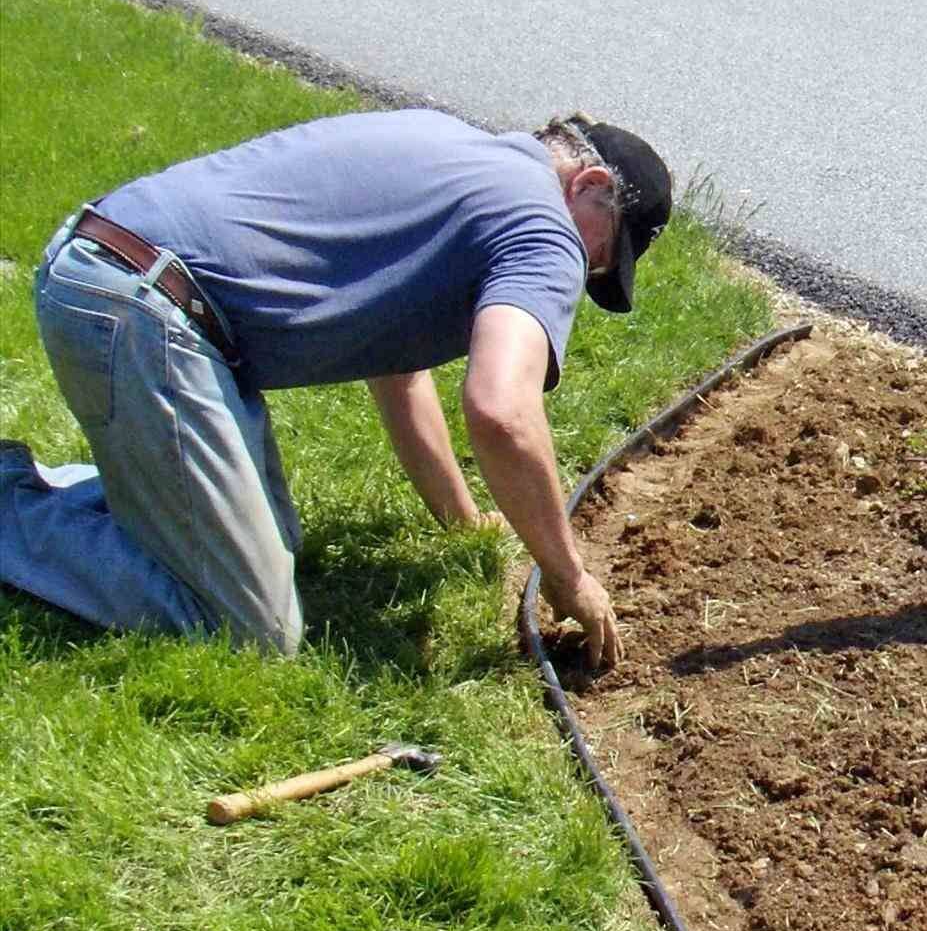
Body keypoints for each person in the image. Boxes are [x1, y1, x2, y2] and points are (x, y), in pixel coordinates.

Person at [0, 108, 671, 671]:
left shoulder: (456, 151)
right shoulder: (543, 224)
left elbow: (397, 369)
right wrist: (569, 573)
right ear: (587, 184)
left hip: (113, 271)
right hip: (144, 311)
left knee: (276, 548)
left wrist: (460, 517)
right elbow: (502, 411)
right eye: (603, 254)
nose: (584, 272)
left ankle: (61, 491)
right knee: (251, 626)